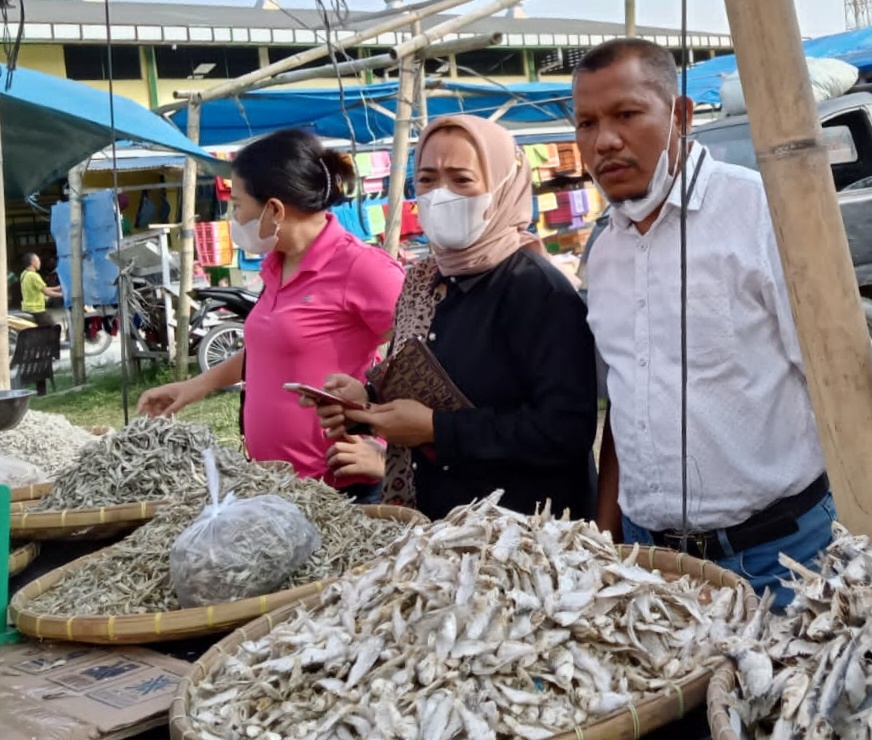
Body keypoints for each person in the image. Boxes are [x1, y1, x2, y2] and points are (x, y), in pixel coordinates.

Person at [572, 38, 834, 608]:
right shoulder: (604, 251)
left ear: (681, 114)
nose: (604, 141)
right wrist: (607, 535)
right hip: (656, 565)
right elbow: (624, 399)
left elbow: (834, 386)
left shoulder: (761, 214)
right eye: (586, 123)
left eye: (627, 114)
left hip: (778, 556)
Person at [308, 114, 599, 521]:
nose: (440, 195)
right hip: (437, 525)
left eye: (462, 180)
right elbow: (426, 388)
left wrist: (437, 430)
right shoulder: (422, 283)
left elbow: (564, 431)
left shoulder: (536, 289)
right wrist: (365, 404)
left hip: (521, 539)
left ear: (502, 188)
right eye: (426, 180)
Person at [137, 128, 406, 503]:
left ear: (274, 209)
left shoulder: (363, 268)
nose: (234, 217)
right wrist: (194, 387)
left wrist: (388, 454)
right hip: (274, 486)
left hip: (341, 491)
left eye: (238, 205)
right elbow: (269, 351)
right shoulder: (275, 265)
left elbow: (425, 361)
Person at [20, 253, 62, 327]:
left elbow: (41, 289)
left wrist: (57, 288)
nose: (40, 263)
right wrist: (62, 295)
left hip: (27, 308)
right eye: (38, 260)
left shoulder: (24, 274)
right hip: (36, 310)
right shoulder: (34, 276)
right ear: (33, 262)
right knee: (52, 326)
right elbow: (46, 292)